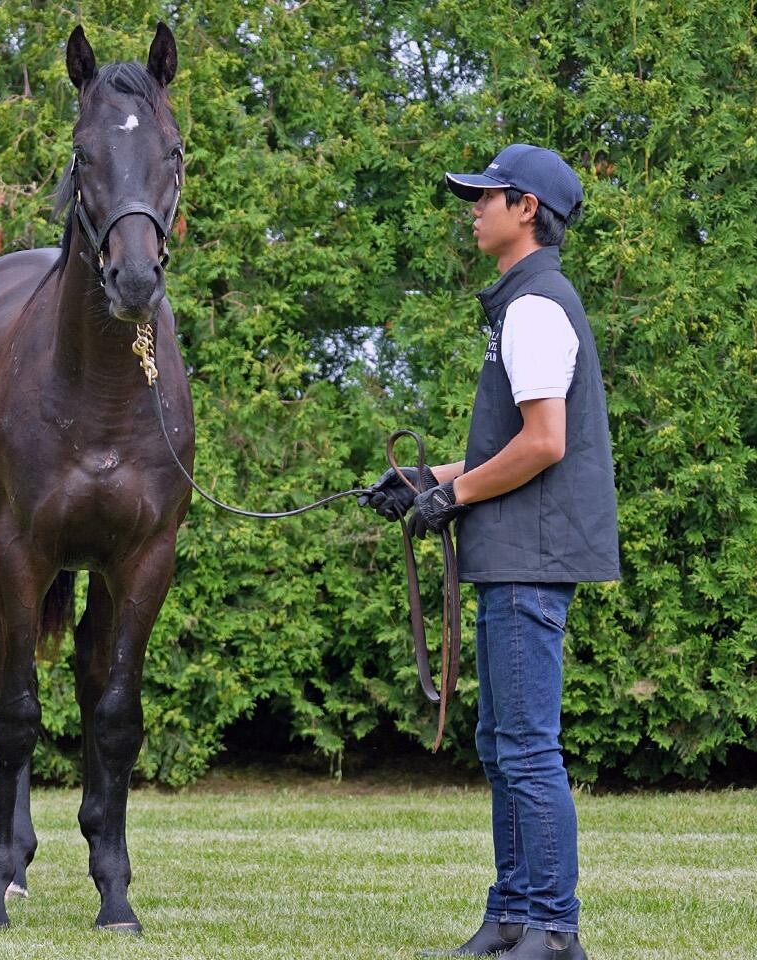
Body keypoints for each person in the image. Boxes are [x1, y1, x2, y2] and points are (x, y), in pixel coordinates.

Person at [360, 144, 620, 960]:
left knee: (528, 747)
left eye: (487, 196)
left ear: (527, 210)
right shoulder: (523, 305)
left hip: (527, 559)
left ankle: (551, 926)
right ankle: (512, 915)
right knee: (501, 742)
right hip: (515, 556)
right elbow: (513, 441)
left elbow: (543, 444)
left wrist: (455, 497)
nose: (473, 208)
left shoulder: (536, 307)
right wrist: (419, 479)